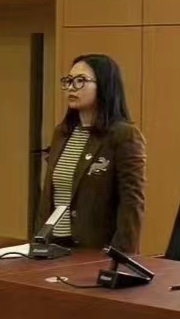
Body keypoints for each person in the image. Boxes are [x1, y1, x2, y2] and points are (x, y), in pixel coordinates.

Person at [37, 54, 146, 253]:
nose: (71, 87)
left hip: (94, 250)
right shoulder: (61, 133)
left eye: (81, 81)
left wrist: (121, 255)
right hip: (54, 246)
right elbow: (49, 197)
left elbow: (131, 203)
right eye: (69, 80)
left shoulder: (123, 135)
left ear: (104, 86)